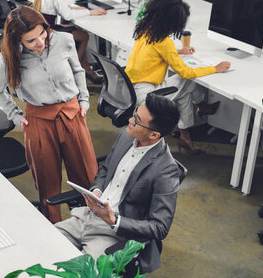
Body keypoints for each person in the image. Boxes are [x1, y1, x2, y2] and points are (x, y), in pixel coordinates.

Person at [0, 6, 98, 223]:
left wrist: (84, 100)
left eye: (42, 33)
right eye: (31, 40)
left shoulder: (64, 40)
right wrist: (15, 116)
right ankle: (55, 231)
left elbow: (77, 70)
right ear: (18, 41)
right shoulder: (10, 57)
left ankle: (94, 223)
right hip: (38, 121)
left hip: (72, 114)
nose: (40, 42)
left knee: (88, 178)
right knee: (47, 185)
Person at [56, 93, 182, 274]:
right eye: (134, 113)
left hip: (112, 235)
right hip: (85, 216)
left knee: (80, 273)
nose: (130, 120)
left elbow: (160, 227)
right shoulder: (127, 136)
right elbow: (106, 169)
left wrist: (114, 220)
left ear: (154, 134)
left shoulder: (166, 170)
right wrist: (97, 190)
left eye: (137, 120)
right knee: (40, 245)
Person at [124, 0, 230, 154]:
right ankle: (201, 105)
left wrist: (178, 51)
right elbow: (185, 72)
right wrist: (215, 68)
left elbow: (154, 53)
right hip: (146, 95)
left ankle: (186, 138)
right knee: (188, 80)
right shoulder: (164, 42)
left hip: (131, 89)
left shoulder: (146, 30)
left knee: (184, 95)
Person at [32, 0, 106, 84]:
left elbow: (57, 7)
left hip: (42, 28)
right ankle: (72, 71)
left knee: (77, 32)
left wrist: (77, 9)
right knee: (83, 36)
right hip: (50, 30)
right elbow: (67, 15)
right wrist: (90, 12)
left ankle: (88, 71)